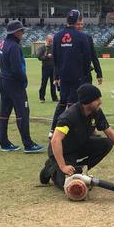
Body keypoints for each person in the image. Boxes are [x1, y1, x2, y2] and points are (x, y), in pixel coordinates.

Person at [39, 84, 114, 189]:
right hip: (63, 152)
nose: (100, 101)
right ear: (87, 102)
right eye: (97, 99)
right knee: (68, 184)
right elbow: (55, 140)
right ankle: (50, 169)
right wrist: (63, 166)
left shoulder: (96, 112)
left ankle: (80, 170)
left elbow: (110, 133)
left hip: (80, 144)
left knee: (106, 143)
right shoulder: (69, 116)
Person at [0, 20, 45, 153]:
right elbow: (17, 69)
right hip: (13, 82)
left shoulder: (2, 43)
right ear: (15, 32)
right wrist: (24, 81)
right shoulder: (14, 46)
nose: (23, 34)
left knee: (4, 112)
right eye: (21, 31)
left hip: (3, 79)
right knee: (23, 112)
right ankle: (28, 144)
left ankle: (3, 141)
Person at [49, 9, 91, 138]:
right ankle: (72, 130)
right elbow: (87, 58)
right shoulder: (81, 36)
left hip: (63, 75)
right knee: (74, 104)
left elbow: (54, 58)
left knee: (62, 102)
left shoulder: (57, 36)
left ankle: (53, 130)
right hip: (77, 76)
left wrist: (57, 75)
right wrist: (84, 74)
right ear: (78, 21)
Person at [75, 20, 103, 85]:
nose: (80, 26)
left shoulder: (88, 38)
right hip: (73, 73)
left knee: (87, 94)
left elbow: (94, 56)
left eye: (81, 24)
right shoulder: (69, 38)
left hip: (86, 74)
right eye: (78, 24)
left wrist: (99, 74)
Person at [37, 35, 58, 103]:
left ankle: (54, 98)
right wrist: (46, 56)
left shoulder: (54, 47)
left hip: (53, 68)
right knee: (44, 83)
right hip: (45, 68)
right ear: (46, 40)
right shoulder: (42, 48)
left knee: (53, 83)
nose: (51, 42)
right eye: (50, 41)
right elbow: (39, 57)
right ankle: (41, 98)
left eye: (52, 41)